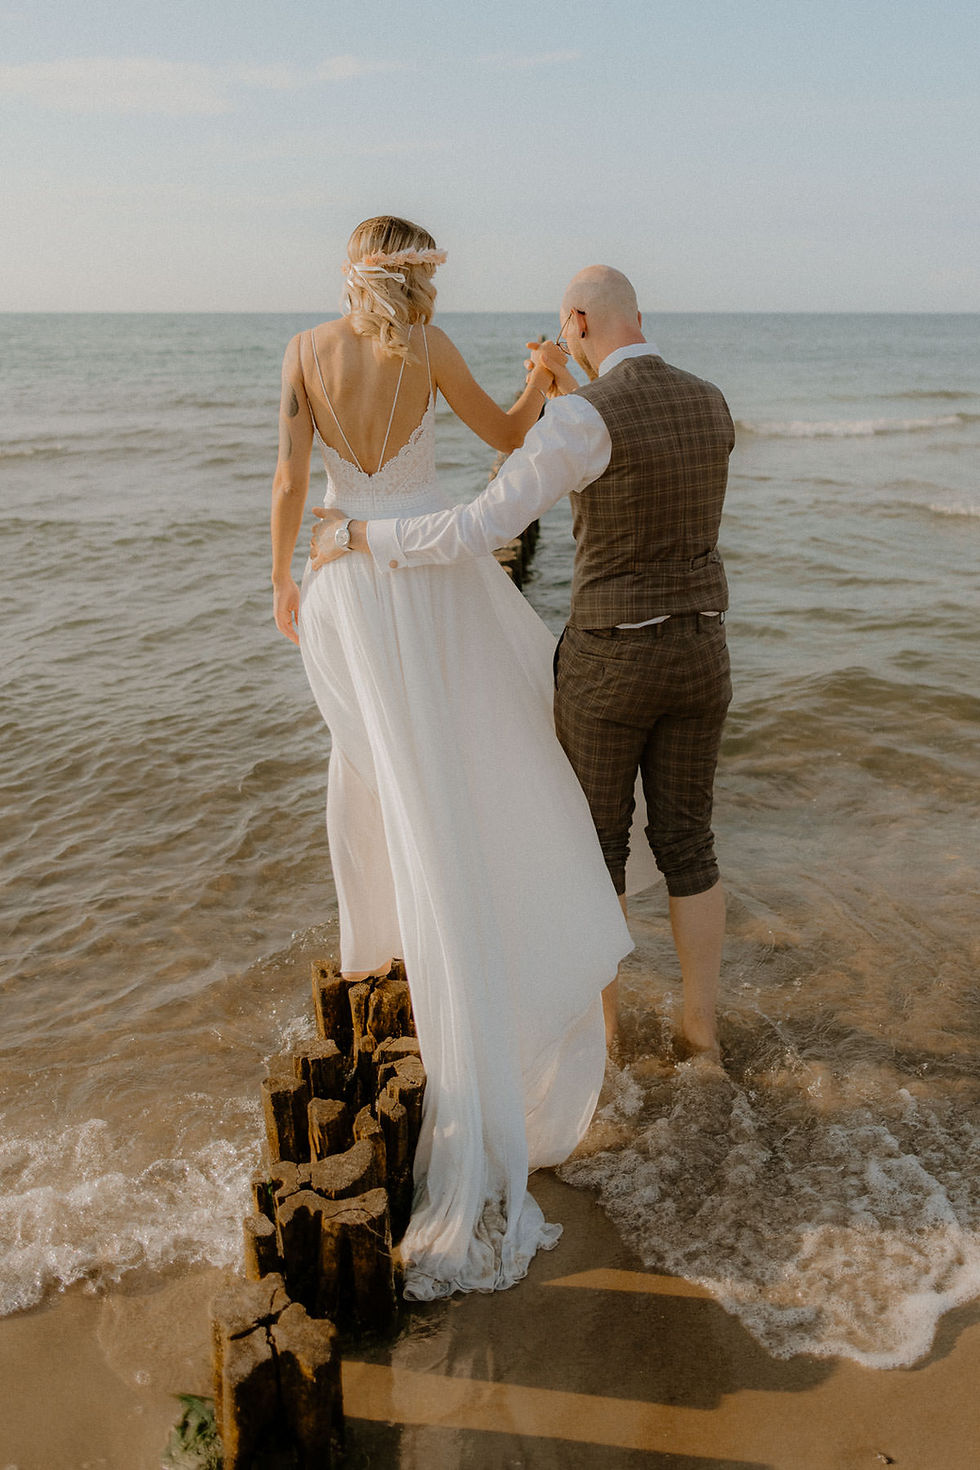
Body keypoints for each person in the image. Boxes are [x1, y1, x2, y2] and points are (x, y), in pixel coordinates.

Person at [271, 217, 633, 1301]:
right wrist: (538, 381)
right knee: (471, 767)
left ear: (347, 271)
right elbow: (504, 436)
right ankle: (473, 959)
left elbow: (290, 480)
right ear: (414, 279)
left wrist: (282, 580)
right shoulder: (425, 354)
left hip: (340, 576)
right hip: (426, 580)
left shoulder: (301, 352)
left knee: (376, 772)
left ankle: (380, 948)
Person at [312, 264, 734, 1062]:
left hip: (612, 664)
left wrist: (366, 537)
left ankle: (604, 1042)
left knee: (596, 848)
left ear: (575, 320)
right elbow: (638, 440)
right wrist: (565, 380)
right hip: (702, 652)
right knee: (691, 845)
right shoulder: (709, 400)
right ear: (634, 317)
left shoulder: (583, 422)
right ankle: (701, 1033)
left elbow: (477, 527)